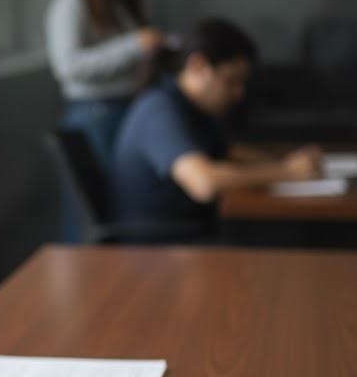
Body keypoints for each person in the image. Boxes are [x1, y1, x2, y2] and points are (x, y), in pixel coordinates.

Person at [111, 17, 322, 232]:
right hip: (159, 250)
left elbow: (231, 152)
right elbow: (204, 183)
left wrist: (287, 162)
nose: (239, 94)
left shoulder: (193, 107)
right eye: (231, 81)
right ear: (198, 65)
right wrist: (286, 172)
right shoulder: (159, 111)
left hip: (190, 236)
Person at [45, 0, 164, 171]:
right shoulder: (71, 2)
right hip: (95, 116)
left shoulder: (118, 4)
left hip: (127, 109)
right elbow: (68, 67)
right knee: (94, 205)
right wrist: (135, 45)